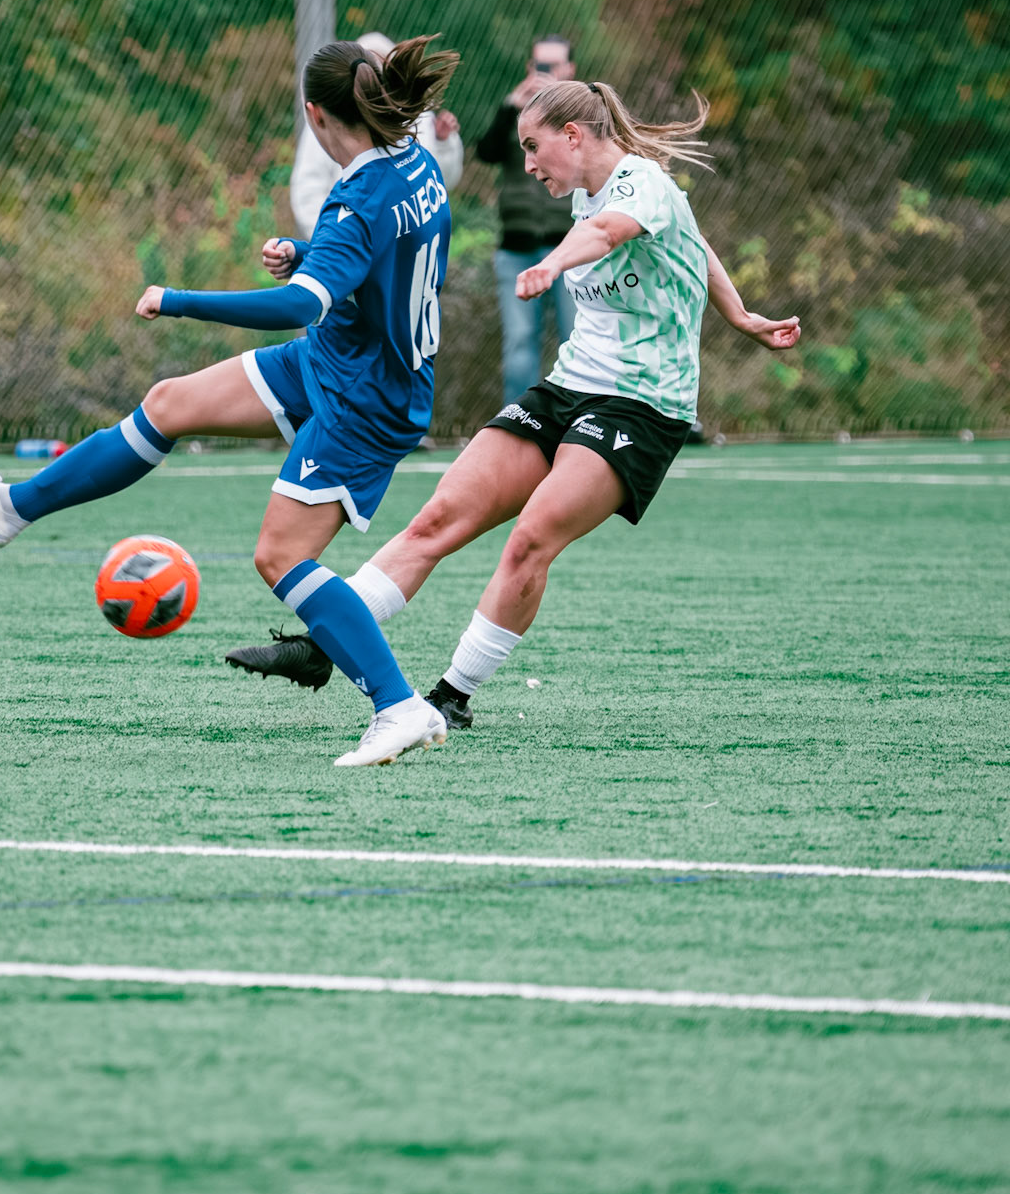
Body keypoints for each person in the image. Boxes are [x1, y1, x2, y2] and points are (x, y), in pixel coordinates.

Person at [0, 35, 460, 769]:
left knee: (280, 557)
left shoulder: (354, 196)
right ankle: (9, 509)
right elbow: (389, 256)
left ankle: (399, 706)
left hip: (364, 395)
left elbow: (301, 305)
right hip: (342, 358)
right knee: (169, 402)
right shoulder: (415, 165)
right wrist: (309, 254)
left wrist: (176, 298)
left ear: (313, 113)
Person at [227, 79, 800, 728]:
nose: (526, 164)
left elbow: (610, 233)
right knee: (438, 518)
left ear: (573, 136)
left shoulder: (640, 183)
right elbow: (690, 243)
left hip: (640, 404)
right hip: (568, 387)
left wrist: (553, 265)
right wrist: (741, 316)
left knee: (530, 540)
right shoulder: (597, 188)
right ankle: (322, 647)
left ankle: (451, 696)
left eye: (533, 147)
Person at [475, 33, 579, 403]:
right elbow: (485, 152)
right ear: (529, 67)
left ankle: (579, 424)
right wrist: (510, 107)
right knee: (519, 343)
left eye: (554, 66)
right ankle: (517, 428)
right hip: (516, 248)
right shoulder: (515, 115)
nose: (546, 72)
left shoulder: (584, 118)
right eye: (540, 65)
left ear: (570, 69)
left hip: (571, 249)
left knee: (579, 340)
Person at [290, 30, 462, 236]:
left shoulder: (417, 120)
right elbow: (308, 186)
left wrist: (442, 143)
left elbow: (442, 180)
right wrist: (325, 240)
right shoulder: (332, 119)